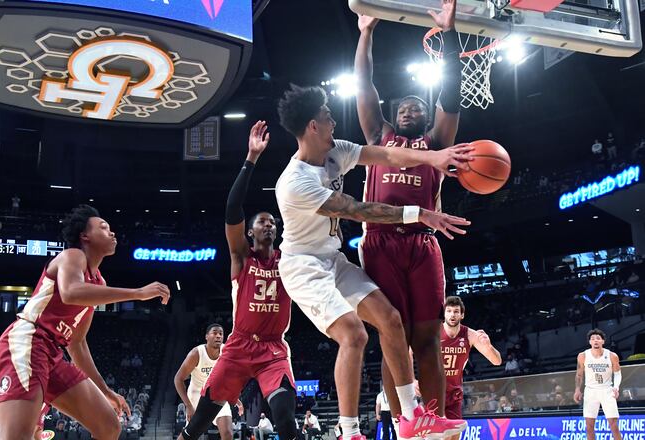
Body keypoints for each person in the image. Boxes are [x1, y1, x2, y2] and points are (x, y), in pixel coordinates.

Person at [275, 83, 470, 440]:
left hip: (332, 259)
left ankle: (412, 417)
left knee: (391, 320)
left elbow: (389, 156)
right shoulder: (294, 182)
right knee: (354, 333)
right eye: (327, 116)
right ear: (313, 126)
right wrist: (420, 214)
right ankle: (348, 432)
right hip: (303, 267)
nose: (334, 120)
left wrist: (434, 158)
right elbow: (358, 210)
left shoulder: (337, 152)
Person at [355, 0, 467, 425]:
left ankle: (433, 420)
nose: (409, 109)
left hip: (423, 244)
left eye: (417, 107)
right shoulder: (378, 135)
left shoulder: (437, 140)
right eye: (403, 106)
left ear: (425, 117)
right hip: (382, 241)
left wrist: (450, 33)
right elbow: (364, 85)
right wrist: (366, 33)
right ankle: (406, 420)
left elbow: (452, 93)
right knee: (392, 338)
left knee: (428, 341)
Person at [0, 204, 170, 439]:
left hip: (52, 354)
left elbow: (77, 343)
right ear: (85, 236)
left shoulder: (98, 282)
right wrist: (137, 293)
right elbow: (71, 292)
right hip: (28, 340)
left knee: (108, 425)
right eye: (104, 228)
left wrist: (105, 391)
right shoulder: (72, 255)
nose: (112, 232)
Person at [177, 121, 297, 440]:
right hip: (239, 346)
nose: (268, 226)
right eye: (261, 223)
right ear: (250, 232)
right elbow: (232, 209)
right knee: (197, 426)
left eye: (272, 223)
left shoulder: (288, 259)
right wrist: (250, 159)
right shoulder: (242, 258)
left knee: (286, 417)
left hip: (273, 349)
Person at [441, 296, 502, 440]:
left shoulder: (470, 335)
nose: (452, 315)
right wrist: (412, 379)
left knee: (454, 435)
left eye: (456, 311)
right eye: (449, 311)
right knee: (441, 435)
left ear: (462, 314)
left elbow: (497, 361)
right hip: (434, 391)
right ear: (444, 314)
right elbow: (409, 352)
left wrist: (488, 346)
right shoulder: (433, 332)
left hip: (454, 393)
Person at [174, 324, 237, 440]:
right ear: (206, 336)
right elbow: (178, 379)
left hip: (218, 394)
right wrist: (188, 405)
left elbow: (230, 378)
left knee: (228, 433)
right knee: (191, 434)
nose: (218, 336)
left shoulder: (226, 352)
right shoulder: (196, 353)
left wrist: (235, 398)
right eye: (215, 333)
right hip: (197, 394)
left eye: (221, 334)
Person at [574, 329, 623, 440]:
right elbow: (579, 375)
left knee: (614, 426)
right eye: (592, 339)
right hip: (591, 391)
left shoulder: (612, 356)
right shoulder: (583, 356)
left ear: (603, 341)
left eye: (598, 338)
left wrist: (616, 387)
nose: (595, 341)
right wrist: (577, 389)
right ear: (590, 342)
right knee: (589, 426)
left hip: (607, 390)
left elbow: (618, 374)